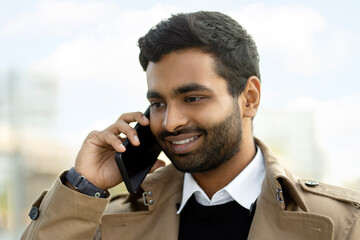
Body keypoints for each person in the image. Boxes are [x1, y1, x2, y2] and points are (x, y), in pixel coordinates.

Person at [21, 11, 360, 240]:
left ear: (249, 98)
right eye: (157, 103)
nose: (170, 122)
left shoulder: (343, 224)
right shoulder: (108, 222)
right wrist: (84, 187)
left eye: (193, 98)